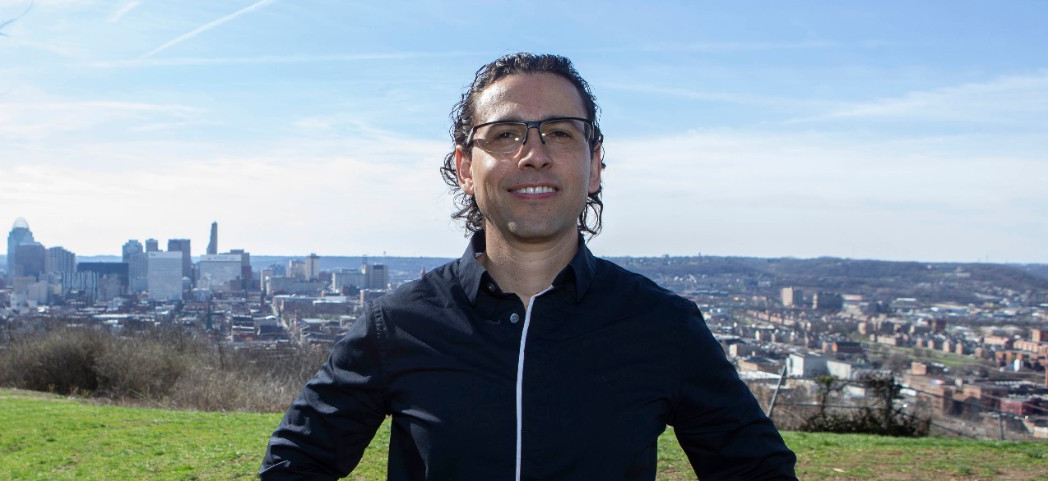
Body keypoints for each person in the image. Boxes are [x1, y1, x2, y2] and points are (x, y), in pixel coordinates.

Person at [261, 53, 797, 480]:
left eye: (560, 132)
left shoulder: (662, 326)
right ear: (466, 168)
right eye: (505, 134)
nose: (533, 154)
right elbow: (295, 463)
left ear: (595, 166)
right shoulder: (398, 325)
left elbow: (757, 468)